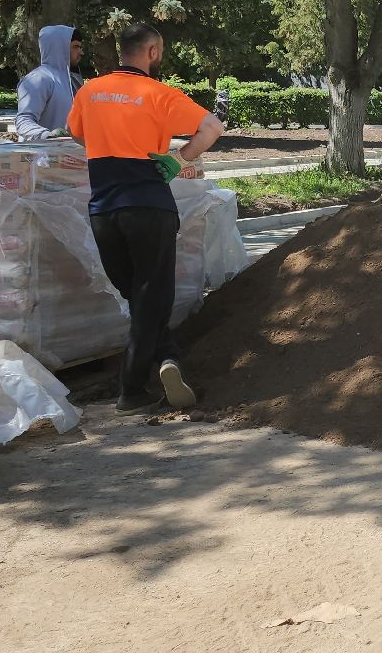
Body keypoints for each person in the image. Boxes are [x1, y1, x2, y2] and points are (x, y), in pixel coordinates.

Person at [67, 23, 225, 414]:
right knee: (151, 296)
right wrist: (178, 159)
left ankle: (166, 355)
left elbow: (75, 135)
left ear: (122, 52)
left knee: (138, 296)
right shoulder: (159, 94)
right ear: (152, 52)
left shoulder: (89, 91)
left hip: (104, 211)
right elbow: (212, 127)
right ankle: (133, 388)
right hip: (150, 207)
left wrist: (109, 142)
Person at [13, 25, 83, 141]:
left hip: (68, 155)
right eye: (76, 47)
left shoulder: (73, 80)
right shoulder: (39, 79)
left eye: (80, 47)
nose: (81, 52)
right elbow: (23, 121)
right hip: (41, 156)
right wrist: (47, 136)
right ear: (59, 48)